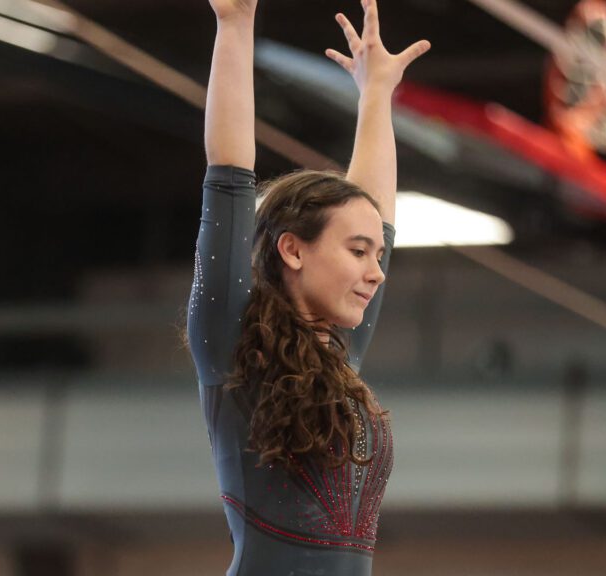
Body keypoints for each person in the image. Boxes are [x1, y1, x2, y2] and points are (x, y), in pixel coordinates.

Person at [187, 0, 428, 573]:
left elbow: (374, 212)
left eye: (378, 254)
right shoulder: (232, 345)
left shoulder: (337, 355)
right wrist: (235, 25)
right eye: (357, 252)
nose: (377, 270)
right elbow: (228, 172)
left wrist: (375, 96)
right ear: (291, 249)